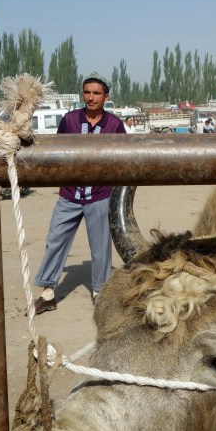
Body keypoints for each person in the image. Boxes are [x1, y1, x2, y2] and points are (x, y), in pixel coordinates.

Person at [33, 75, 127, 313]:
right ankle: (48, 293)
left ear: (106, 96)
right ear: (82, 94)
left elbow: (125, 159)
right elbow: (57, 152)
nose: (91, 97)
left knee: (101, 247)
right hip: (69, 194)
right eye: (87, 92)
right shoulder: (69, 120)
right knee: (55, 240)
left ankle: (100, 292)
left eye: (96, 93)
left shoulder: (115, 125)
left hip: (100, 195)